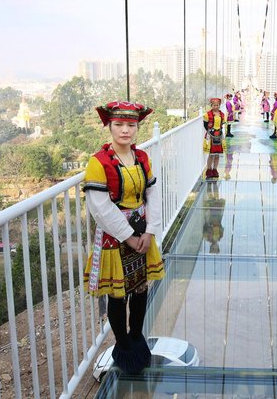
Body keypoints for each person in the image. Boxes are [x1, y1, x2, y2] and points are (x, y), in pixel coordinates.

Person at [82, 101, 165, 374]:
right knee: (117, 294)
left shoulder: (141, 157)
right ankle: (124, 345)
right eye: (118, 124)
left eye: (131, 125)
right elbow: (100, 207)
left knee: (140, 286)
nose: (125, 130)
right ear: (109, 126)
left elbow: (152, 193)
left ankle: (137, 335)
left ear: (137, 127)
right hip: (115, 235)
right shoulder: (98, 162)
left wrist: (150, 231)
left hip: (142, 230)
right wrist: (129, 236)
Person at [203, 97, 226, 179]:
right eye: (214, 105)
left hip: (219, 135)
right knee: (211, 154)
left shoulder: (222, 114)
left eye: (217, 105)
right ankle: (209, 170)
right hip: (211, 136)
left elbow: (222, 124)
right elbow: (205, 125)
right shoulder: (207, 115)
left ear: (219, 105)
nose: (216, 107)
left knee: (217, 154)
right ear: (211, 105)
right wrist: (210, 132)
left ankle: (215, 169)